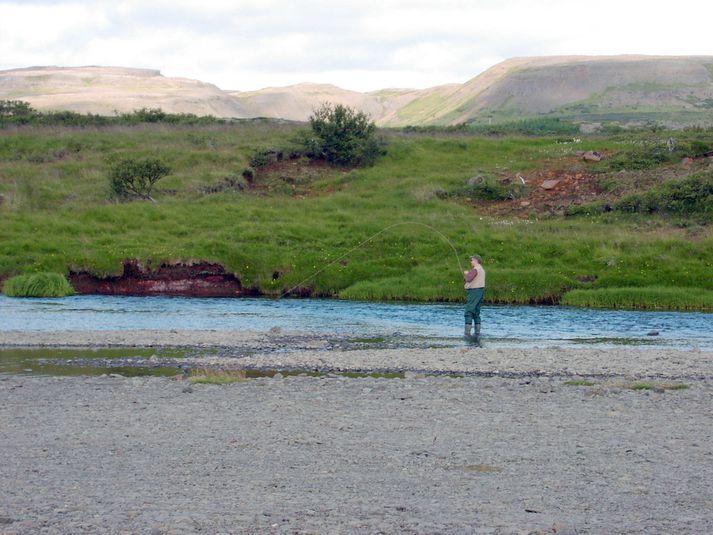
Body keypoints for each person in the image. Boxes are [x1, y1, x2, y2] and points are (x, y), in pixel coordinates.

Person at [463, 254, 486, 344]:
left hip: (474, 292)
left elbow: (468, 279)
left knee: (468, 311)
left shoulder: (476, 269)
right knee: (476, 312)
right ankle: (477, 333)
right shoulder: (482, 269)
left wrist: (466, 274)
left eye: (472, 260)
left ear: (476, 260)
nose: (471, 262)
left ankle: (467, 334)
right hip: (480, 291)